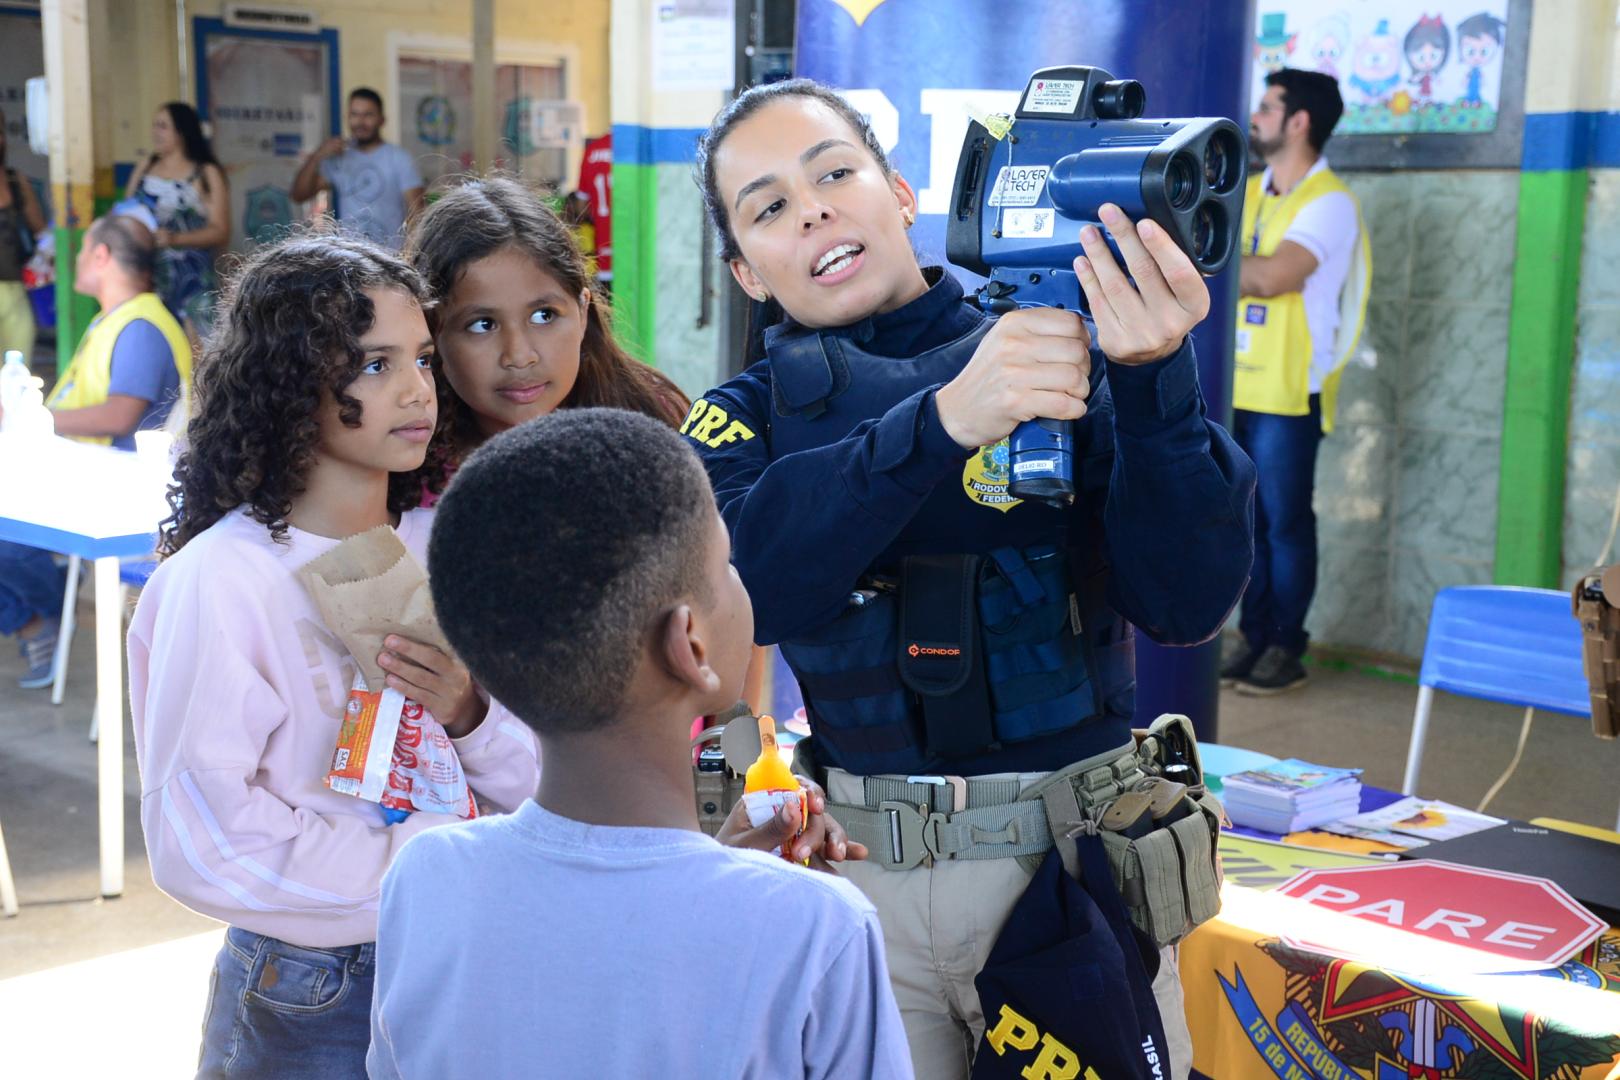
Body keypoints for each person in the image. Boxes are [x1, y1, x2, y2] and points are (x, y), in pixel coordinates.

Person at [687, 80, 1256, 1080]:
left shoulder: (1063, 341)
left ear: (902, 194)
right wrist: (947, 421)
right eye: (770, 206)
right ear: (745, 271)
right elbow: (750, 586)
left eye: (835, 172)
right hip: (859, 889)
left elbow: (1187, 603)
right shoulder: (740, 419)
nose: (814, 208)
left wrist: (1158, 377)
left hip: (1069, 877)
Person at [371, 408, 913, 1079]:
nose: (739, 581)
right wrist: (738, 882)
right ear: (690, 644)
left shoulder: (427, 880)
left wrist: (718, 862)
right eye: (725, 565)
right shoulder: (818, 928)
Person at [127, 234, 540, 1078]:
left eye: (423, 359)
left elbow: (548, 775)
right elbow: (204, 842)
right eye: (375, 364)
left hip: (469, 960)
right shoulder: (221, 581)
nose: (417, 389)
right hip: (315, 992)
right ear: (289, 383)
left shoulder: (450, 541)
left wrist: (471, 713)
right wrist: (431, 864)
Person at [1226, 69, 1370, 696]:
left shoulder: (1330, 200)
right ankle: (1253, 639)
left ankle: (1287, 647)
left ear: (1299, 121)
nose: (1254, 117)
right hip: (1236, 383)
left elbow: (1271, 276)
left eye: (1266, 107)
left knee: (1285, 523)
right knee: (1246, 521)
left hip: (1290, 391)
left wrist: (1203, 255)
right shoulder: (1252, 190)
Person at [0, 214, 190, 689]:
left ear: (102, 257)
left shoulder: (141, 325)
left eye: (83, 249)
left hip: (119, 496)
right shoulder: (117, 318)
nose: (78, 259)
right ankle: (38, 616)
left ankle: (36, 619)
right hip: (86, 478)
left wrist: (37, 419)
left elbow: (119, 415)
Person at [406, 175, 686, 478]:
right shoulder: (409, 471)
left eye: (544, 316)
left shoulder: (653, 423)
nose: (520, 355)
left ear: (582, 312)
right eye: (483, 325)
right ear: (432, 335)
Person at [123, 101, 230, 337]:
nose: (155, 132)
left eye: (163, 126)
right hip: (149, 276)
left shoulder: (205, 172)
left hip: (193, 279)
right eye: (154, 126)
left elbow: (221, 230)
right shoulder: (146, 167)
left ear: (181, 132)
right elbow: (126, 212)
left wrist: (176, 238)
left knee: (198, 347)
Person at [292, 88, 425, 252]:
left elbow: (418, 213)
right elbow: (299, 195)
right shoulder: (338, 159)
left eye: (368, 115)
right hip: (350, 262)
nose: (360, 122)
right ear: (347, 118)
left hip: (391, 261)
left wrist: (408, 257)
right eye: (354, 115)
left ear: (382, 120)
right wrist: (318, 155)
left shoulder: (399, 158)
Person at [0, 106, 47, 360]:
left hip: (16, 290)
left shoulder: (16, 181)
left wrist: (46, 257)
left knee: (17, 369)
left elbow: (42, 233)